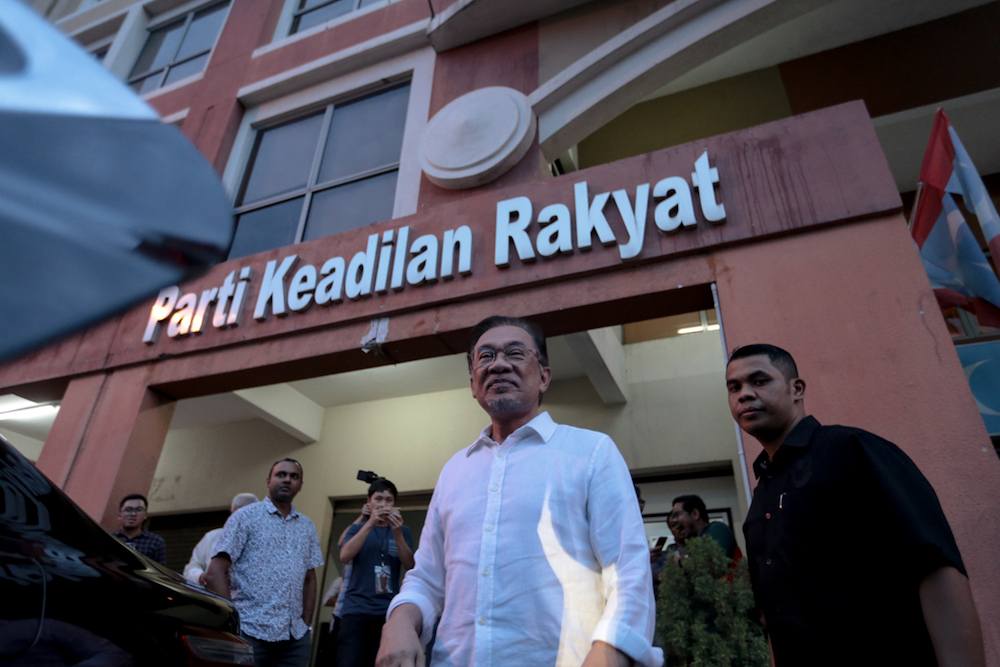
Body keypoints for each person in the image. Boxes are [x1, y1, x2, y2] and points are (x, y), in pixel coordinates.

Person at [378, 315, 661, 667]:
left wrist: (611, 650)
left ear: (544, 377)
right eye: (485, 356)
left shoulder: (591, 452)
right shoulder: (455, 470)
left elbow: (627, 570)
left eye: (515, 353)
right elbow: (428, 577)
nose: (498, 365)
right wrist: (400, 621)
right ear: (472, 382)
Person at [725, 343, 985, 667]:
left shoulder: (851, 449)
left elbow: (933, 563)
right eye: (733, 387)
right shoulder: (763, 496)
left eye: (759, 381)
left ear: (797, 389)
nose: (744, 394)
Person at [204, 459, 323, 667]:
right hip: (249, 632)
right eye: (281, 475)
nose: (287, 480)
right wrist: (231, 622)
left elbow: (310, 579)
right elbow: (214, 573)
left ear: (301, 485)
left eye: (294, 477)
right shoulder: (245, 517)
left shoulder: (306, 526)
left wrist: (305, 624)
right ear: (269, 481)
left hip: (294, 639)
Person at [337, 478, 414, 667]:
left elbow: (411, 566)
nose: (383, 504)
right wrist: (370, 523)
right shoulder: (356, 528)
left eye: (389, 500)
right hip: (355, 611)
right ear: (369, 502)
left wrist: (397, 534)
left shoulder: (403, 531)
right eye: (378, 499)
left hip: (387, 613)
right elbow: (345, 556)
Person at [183, 492, 259, 585]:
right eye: (238, 515)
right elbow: (190, 569)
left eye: (248, 515)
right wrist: (202, 577)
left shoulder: (267, 540)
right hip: (214, 596)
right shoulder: (212, 537)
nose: (242, 520)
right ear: (232, 512)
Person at [670, 494, 737, 560]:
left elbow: (714, 561)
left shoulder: (718, 529)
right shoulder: (697, 542)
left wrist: (681, 563)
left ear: (695, 514)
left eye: (677, 515)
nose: (675, 521)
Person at [113, 493, 166, 565]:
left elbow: (160, 572)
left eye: (138, 510)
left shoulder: (155, 542)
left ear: (145, 515)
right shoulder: (108, 539)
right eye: (128, 510)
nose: (133, 514)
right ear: (119, 515)